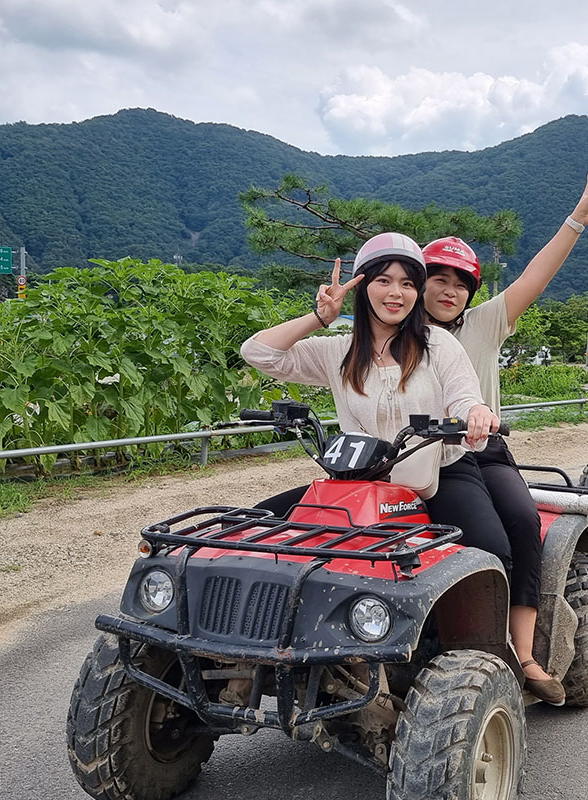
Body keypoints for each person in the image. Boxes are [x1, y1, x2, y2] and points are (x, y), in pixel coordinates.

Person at [239, 232, 565, 705]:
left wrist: (476, 413)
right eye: (384, 281)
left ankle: (494, 660)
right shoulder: (337, 351)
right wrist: (320, 316)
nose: (396, 293)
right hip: (362, 480)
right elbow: (258, 353)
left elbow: (464, 394)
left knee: (492, 548)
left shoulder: (438, 344)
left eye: (408, 283)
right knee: (258, 527)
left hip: (438, 472)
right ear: (362, 285)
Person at [419, 172, 588, 702]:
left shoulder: (483, 324)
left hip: (484, 451)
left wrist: (575, 222)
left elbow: (534, 279)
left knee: (522, 523)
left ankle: (522, 654)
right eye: (438, 279)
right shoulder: (400, 334)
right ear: (418, 284)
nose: (450, 290)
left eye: (460, 283)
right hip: (417, 455)